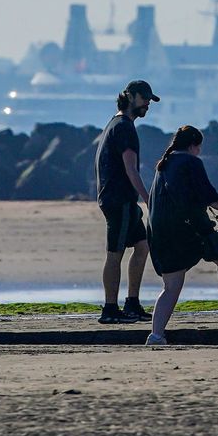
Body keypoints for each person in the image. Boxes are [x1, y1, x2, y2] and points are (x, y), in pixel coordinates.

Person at [145, 124, 218, 345]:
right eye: (199, 148)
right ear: (193, 146)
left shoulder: (164, 164)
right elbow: (211, 197)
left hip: (159, 231)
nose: (199, 152)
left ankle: (156, 335)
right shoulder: (190, 162)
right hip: (185, 228)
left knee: (170, 287)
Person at [94, 79, 159, 324]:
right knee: (115, 254)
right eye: (144, 99)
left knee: (142, 247)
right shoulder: (124, 127)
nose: (147, 105)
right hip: (118, 199)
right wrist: (148, 199)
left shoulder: (117, 123)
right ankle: (109, 309)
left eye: (150, 101)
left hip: (124, 200)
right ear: (130, 97)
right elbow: (131, 170)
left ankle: (132, 304)